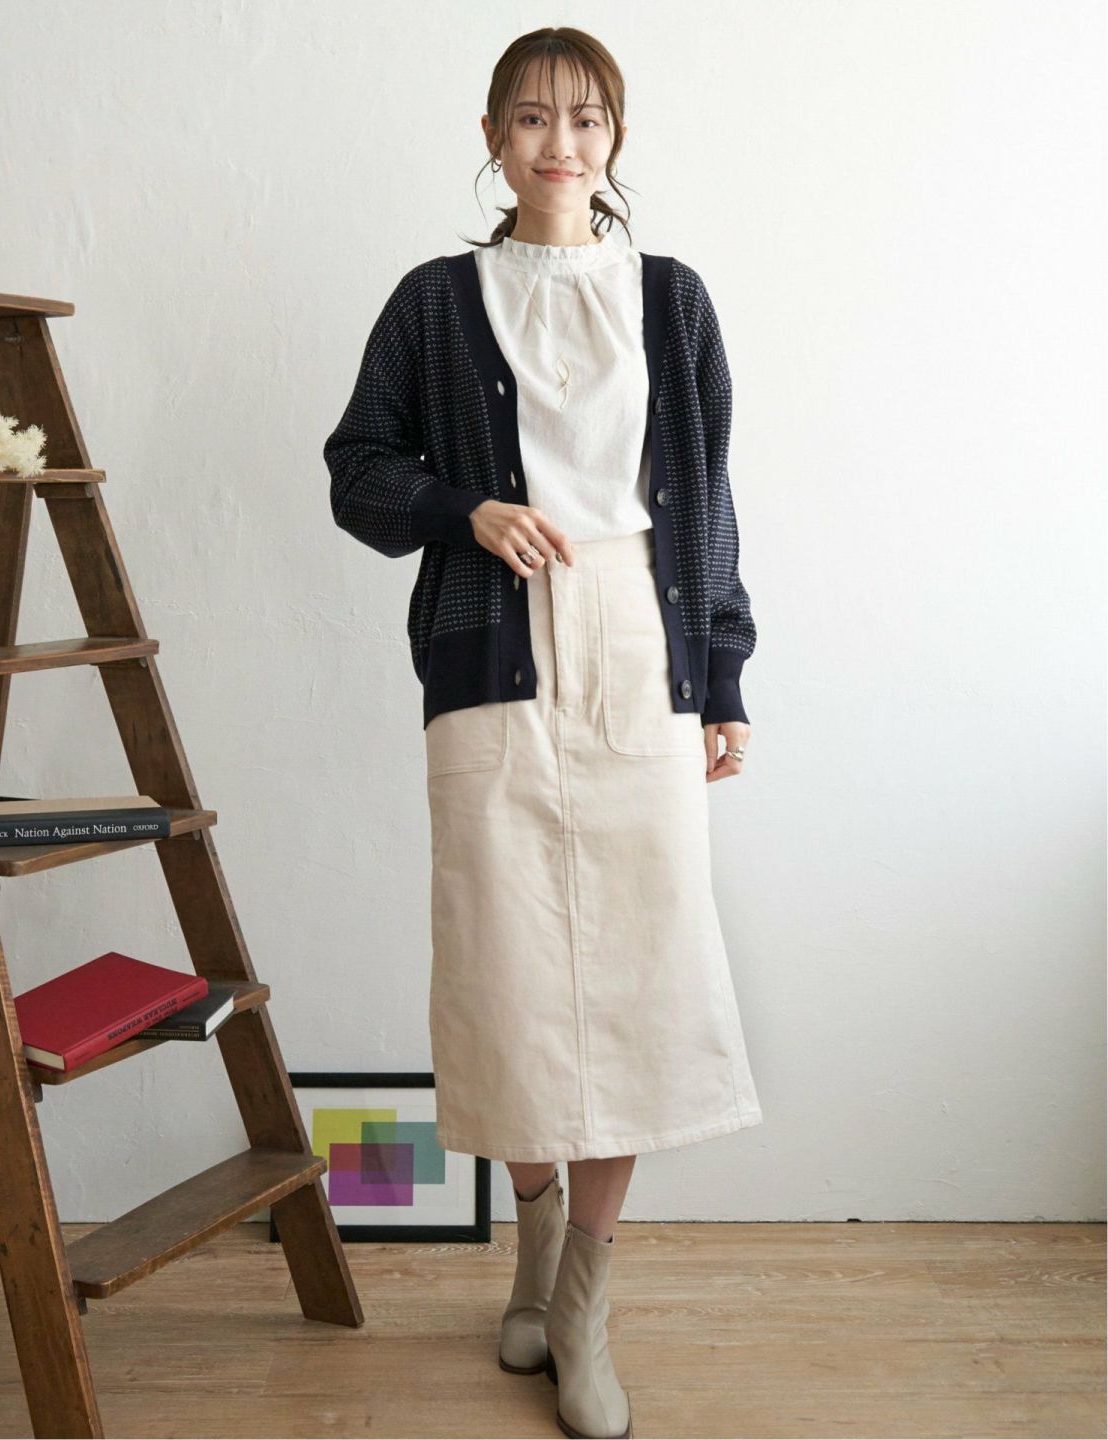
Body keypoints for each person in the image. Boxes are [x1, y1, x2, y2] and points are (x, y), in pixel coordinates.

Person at [324, 26, 763, 1440]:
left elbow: (708, 497)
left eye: (583, 119)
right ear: (492, 136)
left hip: (640, 646)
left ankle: (583, 1301)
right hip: (493, 651)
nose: (558, 143)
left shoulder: (672, 299)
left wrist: (724, 673)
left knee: (641, 969)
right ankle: (532, 1233)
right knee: (503, 964)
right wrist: (466, 510)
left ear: (614, 136)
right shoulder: (435, 301)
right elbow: (357, 469)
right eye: (530, 118)